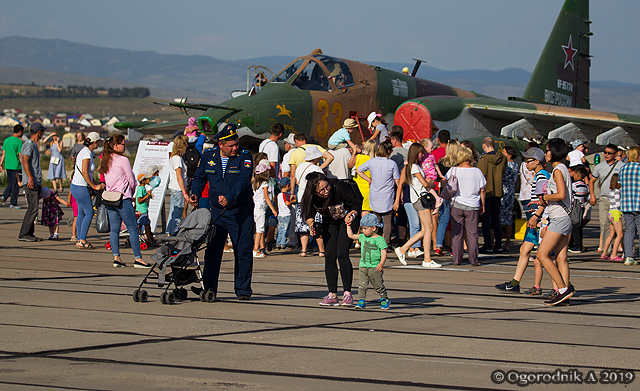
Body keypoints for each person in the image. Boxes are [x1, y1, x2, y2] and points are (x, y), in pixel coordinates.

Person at [190, 124, 255, 300]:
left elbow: (243, 181)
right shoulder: (208, 156)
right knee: (212, 251)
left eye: (236, 144)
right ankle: (209, 288)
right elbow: (199, 177)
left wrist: (229, 197)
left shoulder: (245, 156)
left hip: (240, 212)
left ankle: (242, 290)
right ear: (220, 144)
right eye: (231, 145)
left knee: (243, 251)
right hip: (217, 213)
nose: (235, 148)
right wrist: (194, 193)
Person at [496, 147, 550, 294]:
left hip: (540, 221)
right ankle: (515, 283)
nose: (525, 163)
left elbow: (544, 200)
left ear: (537, 161)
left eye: (528, 160)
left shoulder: (542, 176)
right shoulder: (539, 175)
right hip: (536, 220)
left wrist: (536, 216)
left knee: (548, 257)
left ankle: (561, 287)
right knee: (525, 250)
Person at [301, 172, 361, 306]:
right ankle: (332, 294)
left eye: (326, 186)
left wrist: (352, 214)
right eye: (321, 190)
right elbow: (309, 213)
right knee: (329, 255)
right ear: (314, 191)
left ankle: (347, 293)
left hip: (349, 219)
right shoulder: (312, 198)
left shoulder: (338, 187)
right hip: (331, 222)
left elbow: (357, 204)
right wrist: (312, 225)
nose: (326, 191)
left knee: (342, 253)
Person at [530, 139, 575, 305]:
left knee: (542, 255)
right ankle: (564, 293)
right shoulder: (562, 168)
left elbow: (561, 194)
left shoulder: (557, 170)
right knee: (561, 257)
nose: (546, 153)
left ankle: (563, 290)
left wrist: (544, 198)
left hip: (559, 218)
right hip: (564, 217)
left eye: (547, 150)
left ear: (554, 151)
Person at [393, 143, 441, 268]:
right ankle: (412, 252)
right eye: (420, 152)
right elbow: (425, 184)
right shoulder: (414, 167)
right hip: (420, 200)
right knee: (428, 228)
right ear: (415, 153)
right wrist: (432, 184)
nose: (422, 155)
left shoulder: (410, 166)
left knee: (426, 229)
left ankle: (422, 256)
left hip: (417, 200)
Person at [447, 145, 486, 266]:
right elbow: (482, 189)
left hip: (456, 204)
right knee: (472, 234)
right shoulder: (477, 171)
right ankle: (474, 260)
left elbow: (446, 184)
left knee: (457, 233)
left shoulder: (453, 170)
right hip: (472, 205)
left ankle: (456, 259)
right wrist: (482, 205)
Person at [356, 143, 400, 245]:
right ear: (388, 151)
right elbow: (397, 181)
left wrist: (368, 179)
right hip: (388, 195)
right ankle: (387, 243)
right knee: (388, 221)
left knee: (376, 219)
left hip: (375, 194)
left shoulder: (371, 161)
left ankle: (374, 240)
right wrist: (399, 195)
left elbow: (359, 170)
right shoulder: (392, 163)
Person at [345, 213, 390, 310]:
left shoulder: (380, 240)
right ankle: (361, 300)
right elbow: (351, 235)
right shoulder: (363, 237)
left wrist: (381, 263)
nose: (363, 231)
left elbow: (383, 252)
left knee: (378, 285)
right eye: (362, 228)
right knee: (362, 285)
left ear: (373, 228)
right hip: (363, 266)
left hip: (375, 266)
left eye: (365, 228)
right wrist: (348, 225)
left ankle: (384, 299)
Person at [70, 131, 104, 249]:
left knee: (81, 213)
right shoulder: (86, 154)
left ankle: (80, 238)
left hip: (75, 186)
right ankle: (83, 239)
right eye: (98, 142)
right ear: (95, 142)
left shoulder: (84, 151)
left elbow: (86, 173)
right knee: (89, 212)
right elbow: (85, 172)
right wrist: (94, 186)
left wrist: (95, 183)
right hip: (81, 187)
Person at [589, 144, 624, 253]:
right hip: (604, 199)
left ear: (615, 154)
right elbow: (592, 180)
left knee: (621, 226)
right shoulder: (599, 166)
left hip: (618, 200)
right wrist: (592, 195)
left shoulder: (622, 166)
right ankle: (605, 250)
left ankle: (623, 248)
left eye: (609, 153)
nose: (606, 155)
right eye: (605, 152)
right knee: (604, 224)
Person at [294, 146, 326, 257]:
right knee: (316, 225)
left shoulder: (300, 166)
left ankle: (303, 250)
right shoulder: (317, 169)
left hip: (301, 198)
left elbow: (297, 180)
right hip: (313, 199)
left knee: (303, 226)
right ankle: (321, 250)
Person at [18, 123, 46, 242]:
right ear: (39, 132)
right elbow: (25, 161)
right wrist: (30, 178)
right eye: (42, 132)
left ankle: (29, 232)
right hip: (31, 181)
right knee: (33, 208)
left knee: (33, 208)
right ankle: (24, 233)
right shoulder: (29, 144)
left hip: (34, 180)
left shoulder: (31, 145)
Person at [477, 137, 506, 253]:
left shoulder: (483, 160)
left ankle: (487, 244)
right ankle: (498, 244)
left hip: (486, 191)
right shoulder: (502, 158)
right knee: (496, 219)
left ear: (484, 146)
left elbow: (480, 177)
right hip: (498, 191)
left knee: (485, 219)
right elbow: (503, 171)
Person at [618, 146, 640, 265]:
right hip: (638, 203)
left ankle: (629, 257)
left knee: (629, 231)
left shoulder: (623, 168)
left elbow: (620, 184)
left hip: (626, 204)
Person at [253, 160, 277, 258]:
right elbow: (267, 197)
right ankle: (255, 250)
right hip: (261, 208)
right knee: (260, 229)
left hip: (255, 207)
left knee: (258, 228)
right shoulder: (264, 183)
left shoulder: (254, 183)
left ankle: (257, 248)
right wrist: (273, 209)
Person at [166, 135, 189, 235]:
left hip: (173, 187)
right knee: (178, 213)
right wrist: (185, 192)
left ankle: (170, 231)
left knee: (173, 211)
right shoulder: (178, 160)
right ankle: (175, 233)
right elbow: (179, 177)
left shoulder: (174, 158)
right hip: (178, 188)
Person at [499, 146, 518, 251]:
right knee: (508, 219)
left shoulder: (507, 166)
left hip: (504, 192)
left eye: (504, 152)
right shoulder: (515, 165)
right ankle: (507, 243)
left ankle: (498, 242)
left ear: (509, 155)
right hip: (511, 193)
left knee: (499, 218)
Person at [601, 174, 624, 262]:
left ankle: (604, 253)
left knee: (611, 234)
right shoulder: (618, 191)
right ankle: (614, 255)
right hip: (616, 213)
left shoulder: (611, 191)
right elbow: (618, 204)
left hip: (610, 213)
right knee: (619, 235)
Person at [1, 124, 24, 209]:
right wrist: (24, 166)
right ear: (19, 132)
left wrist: (0, 164)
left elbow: (3, 154)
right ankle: (13, 203)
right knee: (16, 185)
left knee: (11, 183)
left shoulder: (6, 140)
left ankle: (4, 197)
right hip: (16, 166)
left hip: (8, 165)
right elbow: (20, 155)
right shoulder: (19, 142)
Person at [568, 165, 589, 253]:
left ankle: (576, 245)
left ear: (577, 175)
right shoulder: (585, 186)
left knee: (573, 226)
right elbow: (587, 196)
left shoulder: (574, 185)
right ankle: (579, 244)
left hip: (574, 208)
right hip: (581, 207)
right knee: (579, 226)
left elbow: (570, 196)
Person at [135, 172, 156, 247]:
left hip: (143, 209)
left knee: (140, 225)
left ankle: (140, 238)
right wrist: (147, 195)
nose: (149, 180)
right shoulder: (141, 188)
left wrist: (149, 196)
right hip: (142, 210)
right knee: (147, 225)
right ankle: (149, 240)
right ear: (143, 180)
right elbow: (139, 200)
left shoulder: (143, 188)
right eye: (148, 179)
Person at [275, 177, 292, 250]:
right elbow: (287, 203)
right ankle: (283, 243)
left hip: (280, 214)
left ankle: (278, 243)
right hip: (286, 215)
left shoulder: (279, 195)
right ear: (288, 185)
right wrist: (292, 202)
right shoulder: (285, 194)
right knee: (285, 230)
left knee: (280, 229)